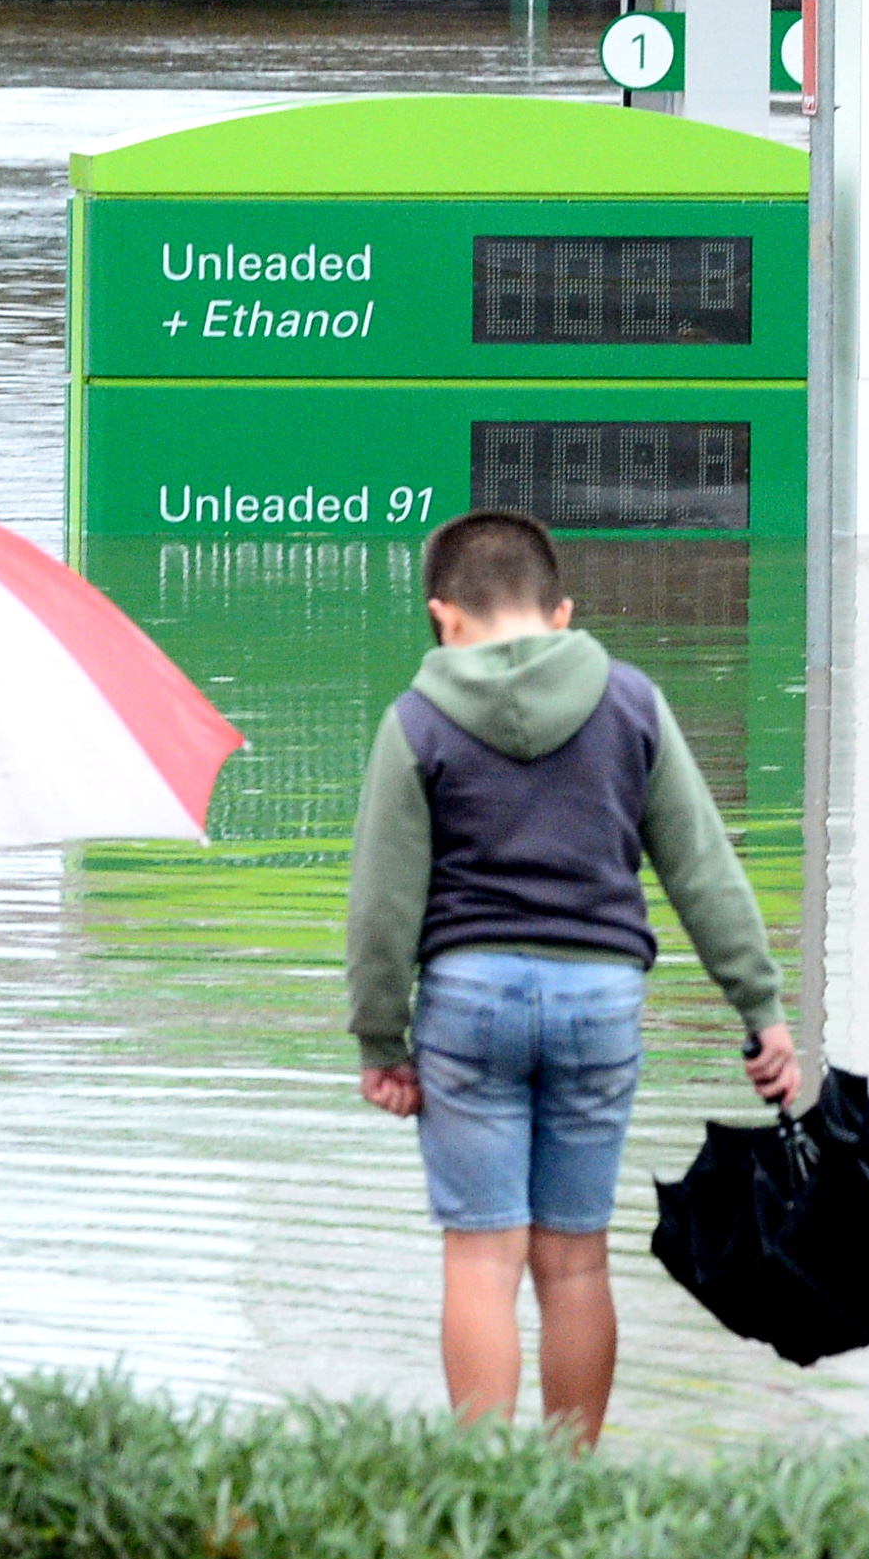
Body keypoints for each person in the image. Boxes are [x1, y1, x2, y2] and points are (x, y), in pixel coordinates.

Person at [347, 507, 799, 1441]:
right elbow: (702, 869)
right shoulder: (631, 701)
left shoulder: (415, 722)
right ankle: (567, 1491)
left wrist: (381, 1042)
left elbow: (381, 904)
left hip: (469, 1002)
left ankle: (485, 1494)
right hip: (599, 1000)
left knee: (482, 1256)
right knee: (575, 1263)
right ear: (560, 612)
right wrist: (760, 1007)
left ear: (444, 616)